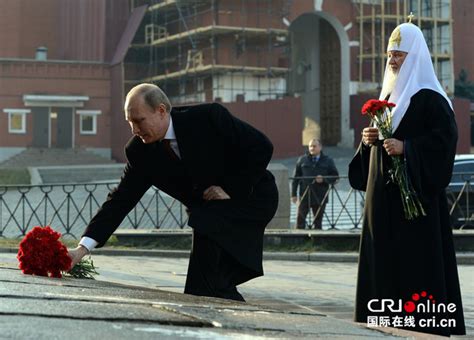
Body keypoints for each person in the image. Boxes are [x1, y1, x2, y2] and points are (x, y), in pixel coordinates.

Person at [68, 83, 279, 302]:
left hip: (252, 197)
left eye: (139, 120)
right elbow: (120, 200)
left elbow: (261, 146)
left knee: (206, 273)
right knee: (208, 284)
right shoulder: (139, 151)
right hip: (209, 213)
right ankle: (222, 318)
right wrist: (81, 250)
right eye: (129, 122)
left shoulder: (207, 118)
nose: (134, 129)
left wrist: (230, 188)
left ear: (161, 111)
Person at [349, 23, 465, 336]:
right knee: (383, 262)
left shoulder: (431, 99)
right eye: (390, 54)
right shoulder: (388, 95)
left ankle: (420, 322)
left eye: (399, 54)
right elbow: (379, 146)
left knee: (415, 265)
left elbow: (445, 142)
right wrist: (368, 140)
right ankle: (384, 319)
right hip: (383, 201)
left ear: (414, 56)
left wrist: (407, 148)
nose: (393, 60)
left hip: (416, 207)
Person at [291, 139, 339, 229]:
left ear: (320, 147)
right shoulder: (302, 160)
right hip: (304, 195)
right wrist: (293, 194)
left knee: (318, 222)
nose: (312, 148)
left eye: (314, 146)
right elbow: (295, 178)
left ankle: (317, 241)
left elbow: (335, 176)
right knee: (300, 221)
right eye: (310, 146)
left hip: (320, 195)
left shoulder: (328, 160)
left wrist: (324, 179)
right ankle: (300, 240)